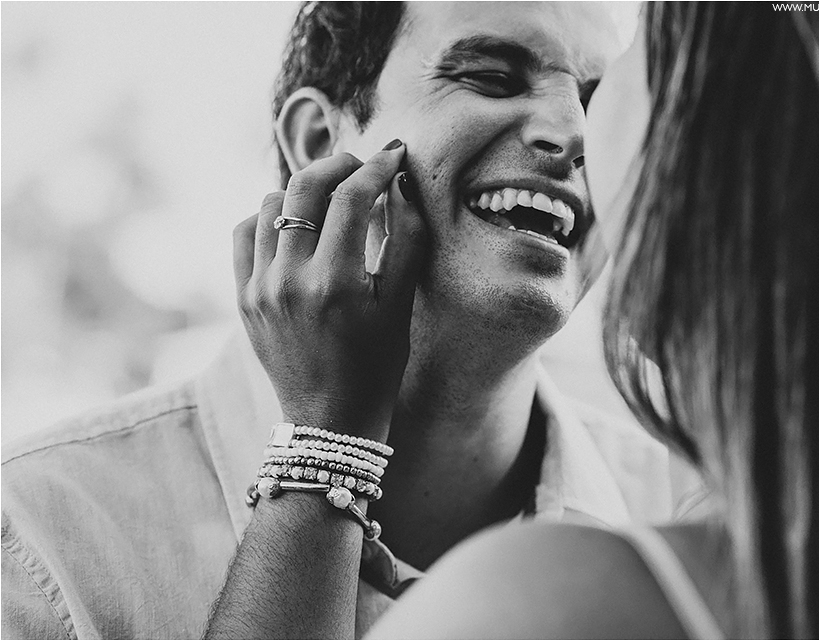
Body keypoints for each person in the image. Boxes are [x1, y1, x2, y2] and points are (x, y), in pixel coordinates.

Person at [2, 3, 684, 639]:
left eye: (602, 105)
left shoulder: (708, 524)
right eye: (491, 76)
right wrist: (326, 442)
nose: (572, 133)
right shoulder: (43, 535)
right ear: (320, 140)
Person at [358, 4, 819, 639]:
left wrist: (320, 454)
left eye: (605, 85)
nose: (573, 130)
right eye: (490, 78)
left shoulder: (541, 606)